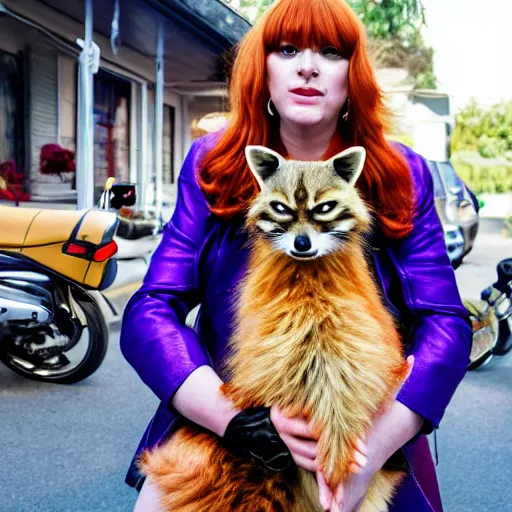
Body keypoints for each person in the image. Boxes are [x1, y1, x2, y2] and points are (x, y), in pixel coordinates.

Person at [120, 0, 472, 510]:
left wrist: (364, 454)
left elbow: (445, 324)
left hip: (369, 426)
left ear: (354, 75)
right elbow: (151, 308)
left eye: (330, 51)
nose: (308, 65)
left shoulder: (401, 173)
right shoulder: (214, 164)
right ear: (263, 68)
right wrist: (233, 419)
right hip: (229, 417)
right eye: (288, 49)